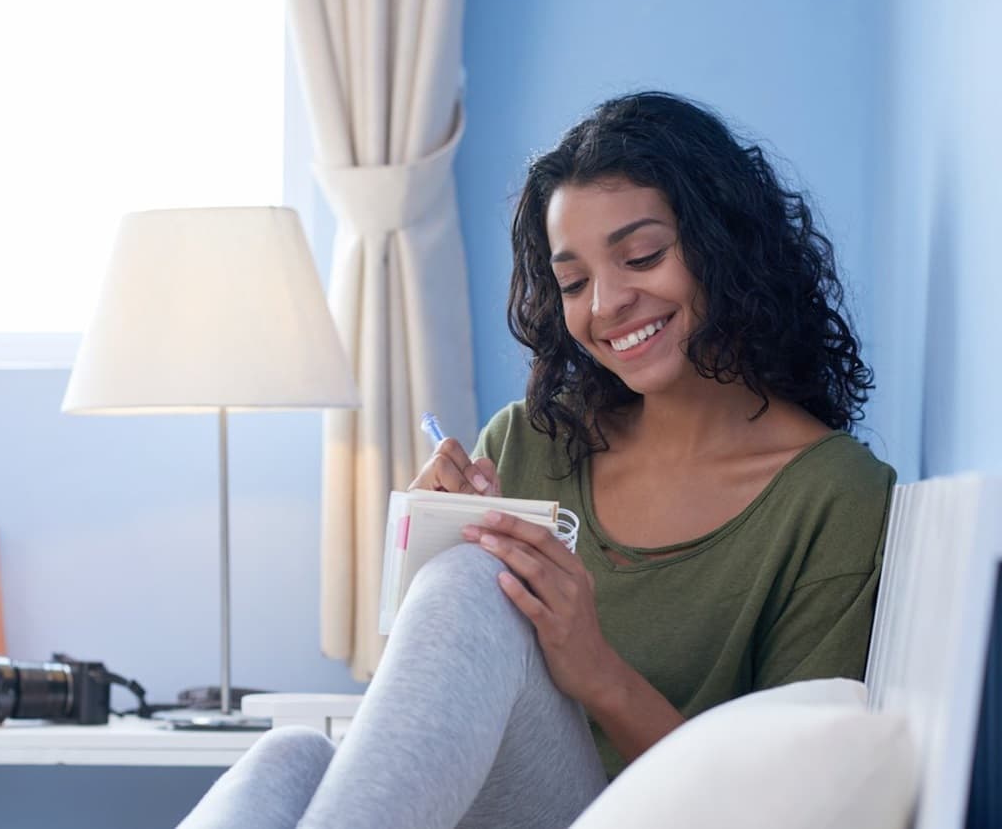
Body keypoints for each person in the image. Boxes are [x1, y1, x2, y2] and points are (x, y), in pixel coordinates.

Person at [177, 91, 895, 829]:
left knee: (464, 585)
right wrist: (422, 558)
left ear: (728, 244)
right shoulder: (528, 442)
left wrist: (599, 673)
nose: (607, 303)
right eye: (574, 281)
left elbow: (781, 809)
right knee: (289, 755)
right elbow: (440, 714)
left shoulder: (833, 496)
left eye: (641, 256)